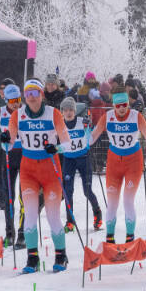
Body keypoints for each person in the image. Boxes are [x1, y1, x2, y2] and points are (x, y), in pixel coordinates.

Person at [4, 79, 72, 272]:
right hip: (29, 171)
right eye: (28, 94)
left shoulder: (54, 113)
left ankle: (61, 255)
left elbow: (67, 143)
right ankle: (32, 258)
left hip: (51, 170)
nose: (31, 97)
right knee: (30, 215)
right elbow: (8, 144)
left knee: (52, 215)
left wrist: (56, 147)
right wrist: (4, 140)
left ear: (41, 94)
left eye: (35, 93)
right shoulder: (18, 115)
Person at [89, 90, 146, 244]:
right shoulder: (107, 117)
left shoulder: (136, 116)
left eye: (125, 105)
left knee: (128, 200)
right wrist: (86, 127)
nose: (122, 108)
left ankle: (130, 238)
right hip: (114, 163)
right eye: (118, 105)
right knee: (112, 202)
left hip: (133, 162)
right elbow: (90, 139)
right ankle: (110, 239)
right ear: (114, 106)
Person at [59, 96, 102, 233]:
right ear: (62, 112)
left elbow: (90, 139)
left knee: (87, 190)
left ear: (75, 110)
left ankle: (97, 214)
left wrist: (88, 127)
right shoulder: (59, 124)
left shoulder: (81, 122)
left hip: (83, 158)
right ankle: (70, 221)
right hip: (68, 160)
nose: (69, 112)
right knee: (68, 191)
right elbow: (56, 142)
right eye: (66, 110)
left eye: (71, 109)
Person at [0, 83, 25, 245]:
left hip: (25, 156)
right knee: (9, 198)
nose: (15, 103)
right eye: (12, 100)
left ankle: (22, 233)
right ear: (6, 100)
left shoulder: (25, 112)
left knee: (23, 197)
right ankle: (10, 233)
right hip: (7, 157)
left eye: (18, 99)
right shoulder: (0, 112)